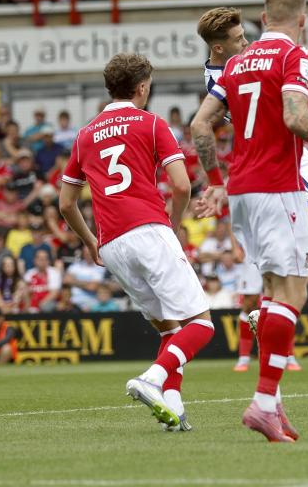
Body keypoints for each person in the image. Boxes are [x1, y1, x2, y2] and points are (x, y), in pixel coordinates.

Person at [191, 0, 308, 442]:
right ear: (301, 21)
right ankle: (264, 404)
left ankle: (274, 404)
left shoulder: (236, 64)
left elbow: (200, 125)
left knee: (272, 292)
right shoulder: (293, 55)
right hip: (276, 185)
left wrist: (215, 181)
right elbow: (295, 117)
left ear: (264, 19)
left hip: (242, 189)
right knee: (293, 293)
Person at [59, 53, 214, 431]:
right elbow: (182, 185)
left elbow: (65, 204)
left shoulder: (84, 135)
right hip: (148, 230)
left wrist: (90, 241)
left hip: (111, 244)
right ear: (142, 87)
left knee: (170, 329)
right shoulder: (152, 123)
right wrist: (173, 225)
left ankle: (173, 409)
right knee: (202, 325)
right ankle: (151, 379)